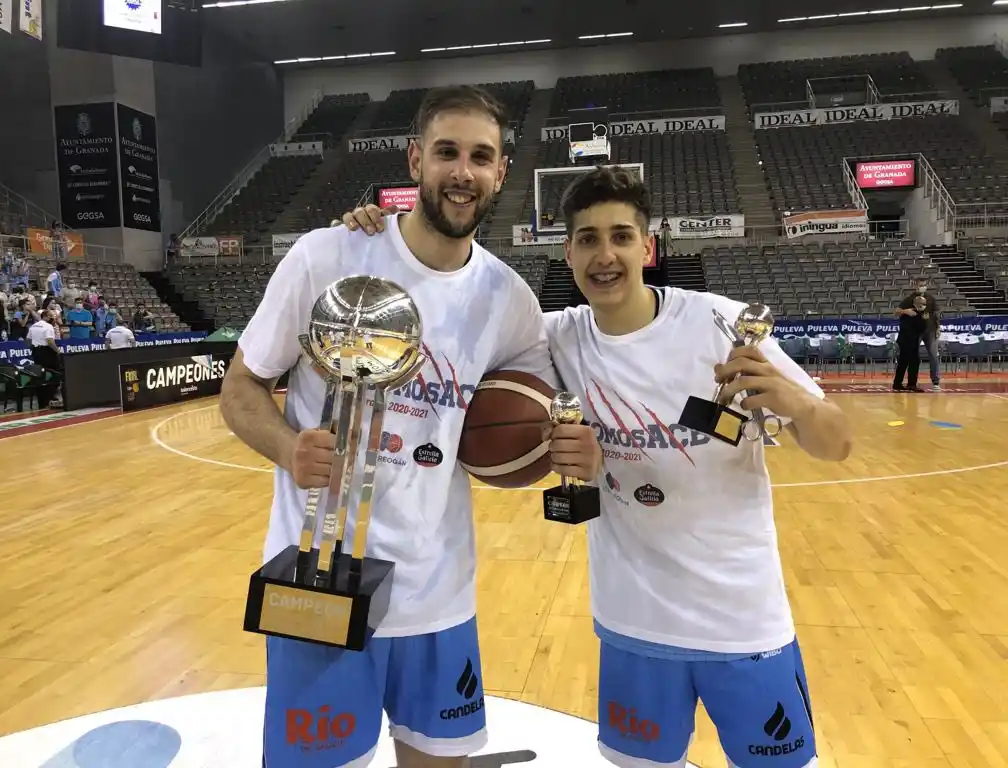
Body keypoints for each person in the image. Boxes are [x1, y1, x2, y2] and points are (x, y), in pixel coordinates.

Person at [341, 166, 852, 768]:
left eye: (620, 237)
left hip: (742, 620)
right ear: (568, 252)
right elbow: (440, 320)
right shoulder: (555, 335)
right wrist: (376, 239)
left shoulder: (721, 325)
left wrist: (799, 405)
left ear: (647, 247)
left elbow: (836, 444)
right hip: (632, 623)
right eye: (587, 239)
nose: (604, 255)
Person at [219, 84, 601, 768]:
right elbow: (241, 387)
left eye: (481, 157)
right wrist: (287, 447)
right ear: (415, 159)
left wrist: (558, 445)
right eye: (447, 152)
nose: (464, 171)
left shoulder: (510, 301)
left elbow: (524, 419)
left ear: (501, 173)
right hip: (320, 583)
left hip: (438, 595)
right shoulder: (326, 257)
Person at [893, 277, 939, 392]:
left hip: (919, 334)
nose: (922, 306)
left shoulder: (930, 299)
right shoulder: (909, 302)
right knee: (910, 360)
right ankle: (909, 384)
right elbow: (897, 312)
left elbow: (936, 314)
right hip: (909, 336)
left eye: (924, 284)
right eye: (920, 285)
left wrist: (937, 327)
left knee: (908, 360)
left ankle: (901, 384)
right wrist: (906, 311)